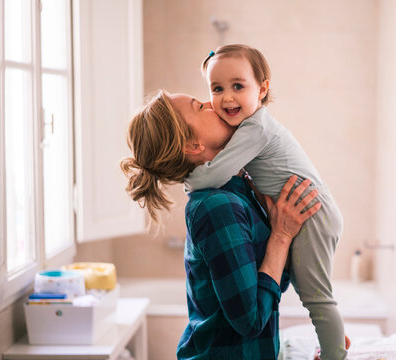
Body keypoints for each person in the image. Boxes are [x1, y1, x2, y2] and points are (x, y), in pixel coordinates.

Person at [120, 91, 321, 359]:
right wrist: (281, 236)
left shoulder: (237, 187)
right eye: (200, 106)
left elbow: (270, 283)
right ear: (192, 145)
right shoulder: (216, 206)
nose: (212, 103)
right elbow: (250, 322)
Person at [184, 44, 348, 359]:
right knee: (310, 291)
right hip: (310, 209)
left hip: (313, 210)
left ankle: (334, 353)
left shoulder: (255, 128)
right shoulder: (247, 128)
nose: (226, 97)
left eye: (238, 86)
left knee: (317, 297)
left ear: (262, 89)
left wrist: (187, 181)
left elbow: (213, 174)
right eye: (216, 88)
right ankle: (334, 340)